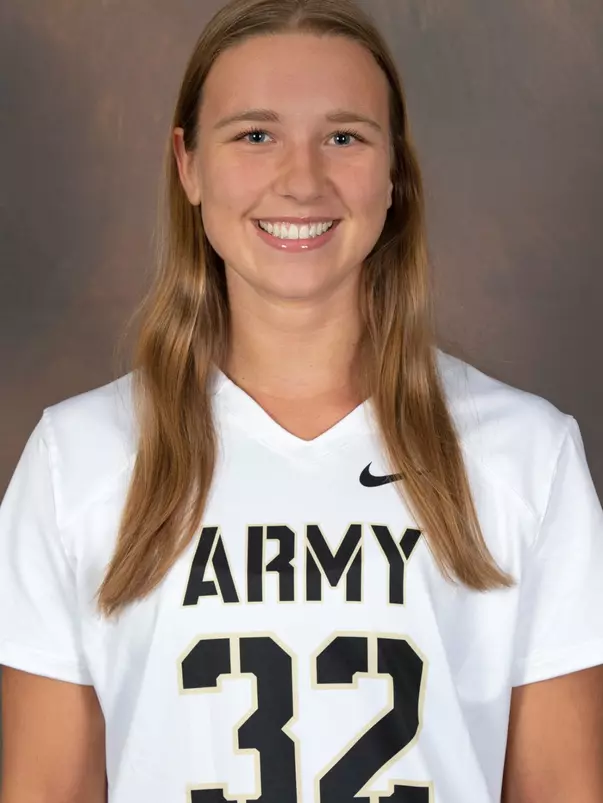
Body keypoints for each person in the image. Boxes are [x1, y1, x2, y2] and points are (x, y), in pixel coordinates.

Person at [1, 0, 602, 800]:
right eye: (255, 135)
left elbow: (562, 785)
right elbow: (45, 787)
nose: (301, 179)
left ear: (394, 171)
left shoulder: (527, 454)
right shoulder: (77, 458)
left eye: (344, 137)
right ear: (187, 165)